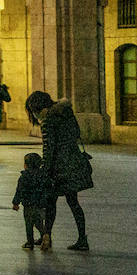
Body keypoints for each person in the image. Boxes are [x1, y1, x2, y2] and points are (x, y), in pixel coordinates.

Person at [26, 90, 93, 252]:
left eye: (34, 111)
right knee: (73, 202)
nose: (34, 115)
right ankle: (82, 238)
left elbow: (49, 149)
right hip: (72, 163)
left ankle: (46, 235)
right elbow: (76, 134)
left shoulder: (48, 121)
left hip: (58, 167)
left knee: (50, 203)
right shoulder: (67, 114)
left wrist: (44, 171)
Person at [12, 152, 51, 250]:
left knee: (29, 224)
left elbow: (19, 191)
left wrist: (16, 203)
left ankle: (30, 242)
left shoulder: (24, 177)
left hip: (28, 204)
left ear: (26, 165)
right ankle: (44, 235)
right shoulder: (43, 175)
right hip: (40, 204)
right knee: (38, 222)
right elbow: (48, 187)